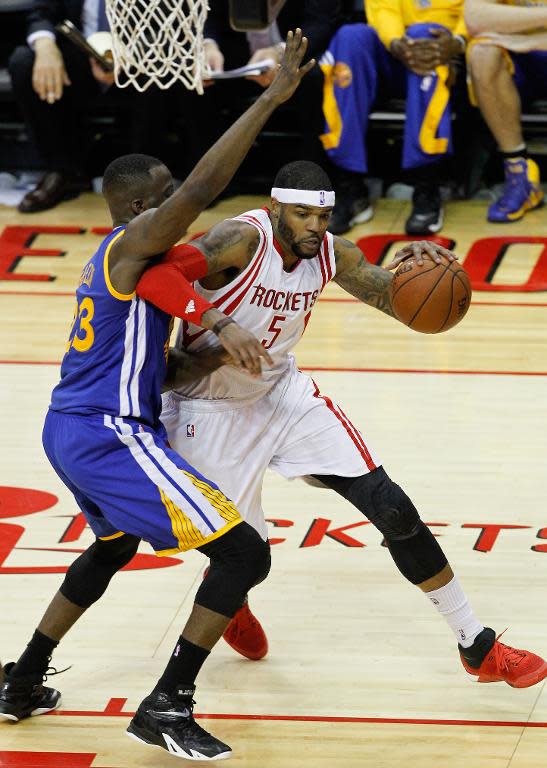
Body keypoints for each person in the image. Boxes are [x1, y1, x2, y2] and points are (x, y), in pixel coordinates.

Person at [0, 31, 313, 762]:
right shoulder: (130, 243)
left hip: (74, 426)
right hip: (109, 432)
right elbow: (207, 188)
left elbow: (165, 343)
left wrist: (204, 351)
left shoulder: (138, 265)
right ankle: (167, 705)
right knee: (241, 554)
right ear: (140, 206)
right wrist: (269, 97)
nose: (180, 201)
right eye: (166, 196)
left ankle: (21, 680)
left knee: (108, 551)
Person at [156, 159, 547, 687]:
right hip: (208, 404)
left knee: (392, 506)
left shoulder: (329, 252)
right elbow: (157, 274)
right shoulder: (237, 242)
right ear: (275, 210)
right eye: (302, 215)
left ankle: (477, 645)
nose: (315, 227)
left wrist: (421, 276)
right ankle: (234, 604)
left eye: (323, 215)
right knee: (240, 557)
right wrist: (216, 323)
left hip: (282, 393)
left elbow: (399, 302)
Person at [8, 0, 173, 213]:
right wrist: (45, 46)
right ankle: (62, 171)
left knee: (159, 68)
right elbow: (42, 13)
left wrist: (129, 54)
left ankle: (145, 179)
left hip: (140, 54)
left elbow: (169, 23)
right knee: (24, 62)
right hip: (84, 56)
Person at [321, 0, 468, 235]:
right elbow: (382, 9)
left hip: (448, 51)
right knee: (349, 37)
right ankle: (350, 186)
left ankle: (427, 186)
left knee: (426, 36)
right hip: (394, 48)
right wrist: (397, 42)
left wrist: (460, 41)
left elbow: (481, 11)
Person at [465, 0, 546, 222]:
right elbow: (475, 18)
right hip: (521, 55)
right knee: (482, 50)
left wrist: (534, 39)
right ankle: (519, 173)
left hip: (524, 41)